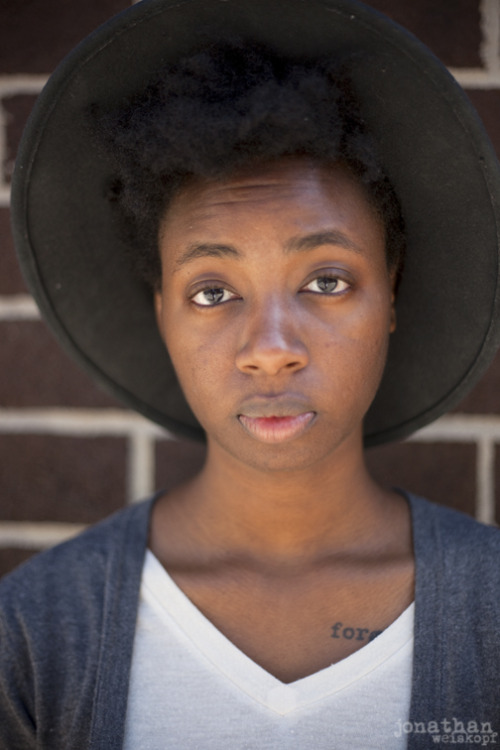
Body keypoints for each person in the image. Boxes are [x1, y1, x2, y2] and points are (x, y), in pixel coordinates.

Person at [2, 1, 500, 748]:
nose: (270, 349)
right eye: (212, 292)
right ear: (163, 311)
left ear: (390, 292)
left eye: (326, 280)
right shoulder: (32, 635)